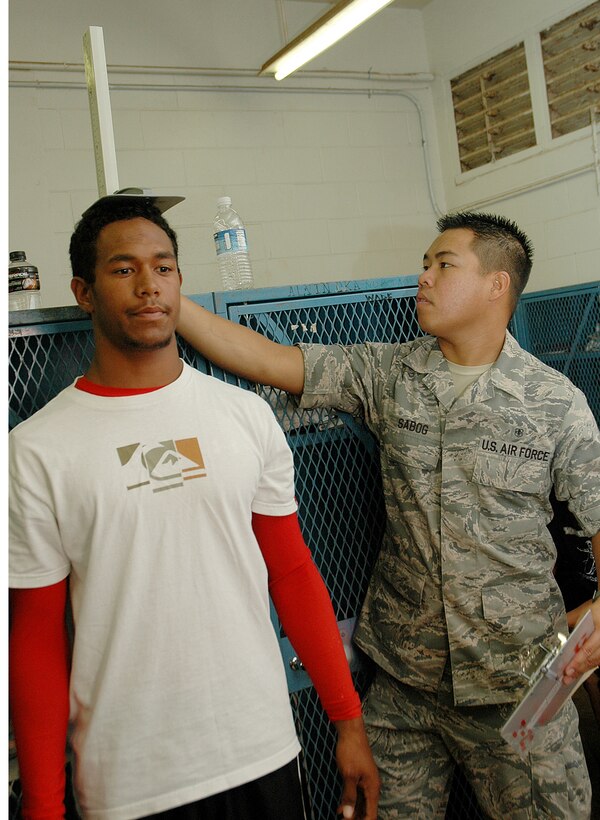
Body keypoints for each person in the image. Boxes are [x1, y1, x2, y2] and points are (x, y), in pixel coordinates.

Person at [175, 211, 600, 819]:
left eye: (443, 264)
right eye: (425, 264)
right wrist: (176, 304)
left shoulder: (555, 402)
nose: (422, 277)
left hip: (516, 683)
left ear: (496, 285)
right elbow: (269, 360)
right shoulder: (388, 373)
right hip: (406, 685)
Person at [9, 195, 380, 820]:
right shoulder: (38, 450)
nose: (148, 286)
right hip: (130, 780)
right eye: (123, 269)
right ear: (84, 291)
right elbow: (36, 639)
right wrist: (44, 807)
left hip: (261, 750)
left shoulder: (245, 416)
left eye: (164, 267)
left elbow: (292, 574)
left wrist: (348, 722)